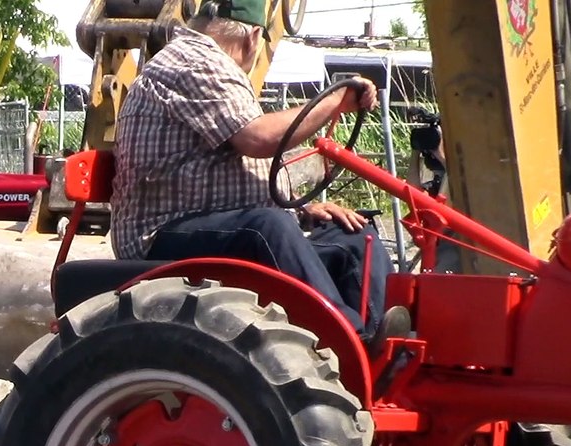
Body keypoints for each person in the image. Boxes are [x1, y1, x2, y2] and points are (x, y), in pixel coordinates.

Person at [110, 0, 406, 342]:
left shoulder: (206, 64)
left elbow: (226, 166)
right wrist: (332, 101)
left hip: (207, 224)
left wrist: (304, 210)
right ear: (253, 37)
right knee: (267, 226)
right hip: (159, 235)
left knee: (354, 235)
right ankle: (348, 341)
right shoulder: (194, 61)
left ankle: (388, 349)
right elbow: (258, 138)